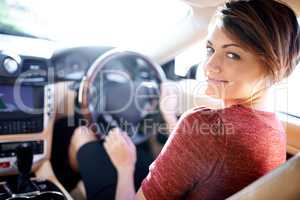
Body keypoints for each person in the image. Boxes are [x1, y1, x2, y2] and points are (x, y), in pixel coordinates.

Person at [70, 0, 300, 199]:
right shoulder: (273, 129)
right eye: (210, 49)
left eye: (232, 55)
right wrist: (170, 117)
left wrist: (124, 166)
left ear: (274, 68)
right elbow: (203, 155)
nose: (209, 66)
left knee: (82, 135)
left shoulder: (205, 126)